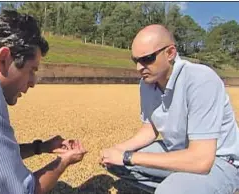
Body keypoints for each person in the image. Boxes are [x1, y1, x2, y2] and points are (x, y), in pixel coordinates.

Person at [0, 10, 87, 194]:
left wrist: (40, 147)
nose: (33, 82)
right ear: (3, 59)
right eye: (31, 70)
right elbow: (20, 191)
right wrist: (64, 161)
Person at [100, 24, 239, 194]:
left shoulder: (201, 80)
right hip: (178, 151)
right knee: (116, 165)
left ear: (170, 53)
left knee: (168, 189)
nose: (139, 68)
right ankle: (183, 184)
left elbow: (202, 160)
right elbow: (150, 128)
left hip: (218, 161)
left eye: (147, 58)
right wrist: (118, 150)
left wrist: (128, 157)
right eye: (135, 60)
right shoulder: (147, 83)